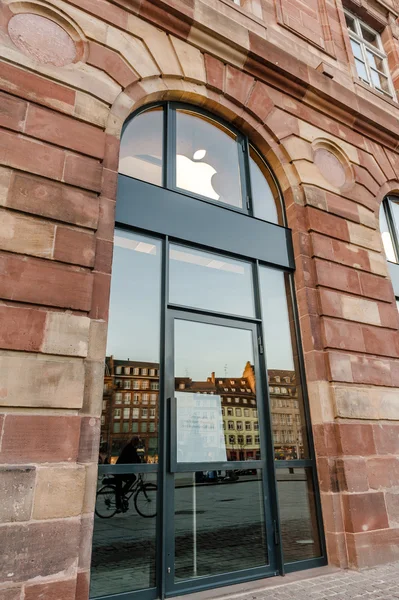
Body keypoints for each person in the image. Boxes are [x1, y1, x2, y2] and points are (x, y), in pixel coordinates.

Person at [115, 437, 142, 512]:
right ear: (135, 442)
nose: (138, 444)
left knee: (130, 479)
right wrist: (140, 465)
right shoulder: (130, 448)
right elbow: (134, 459)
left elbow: (135, 459)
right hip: (120, 470)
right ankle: (122, 494)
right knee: (132, 478)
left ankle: (121, 499)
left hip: (120, 469)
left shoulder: (130, 447)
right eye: (137, 442)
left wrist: (141, 464)